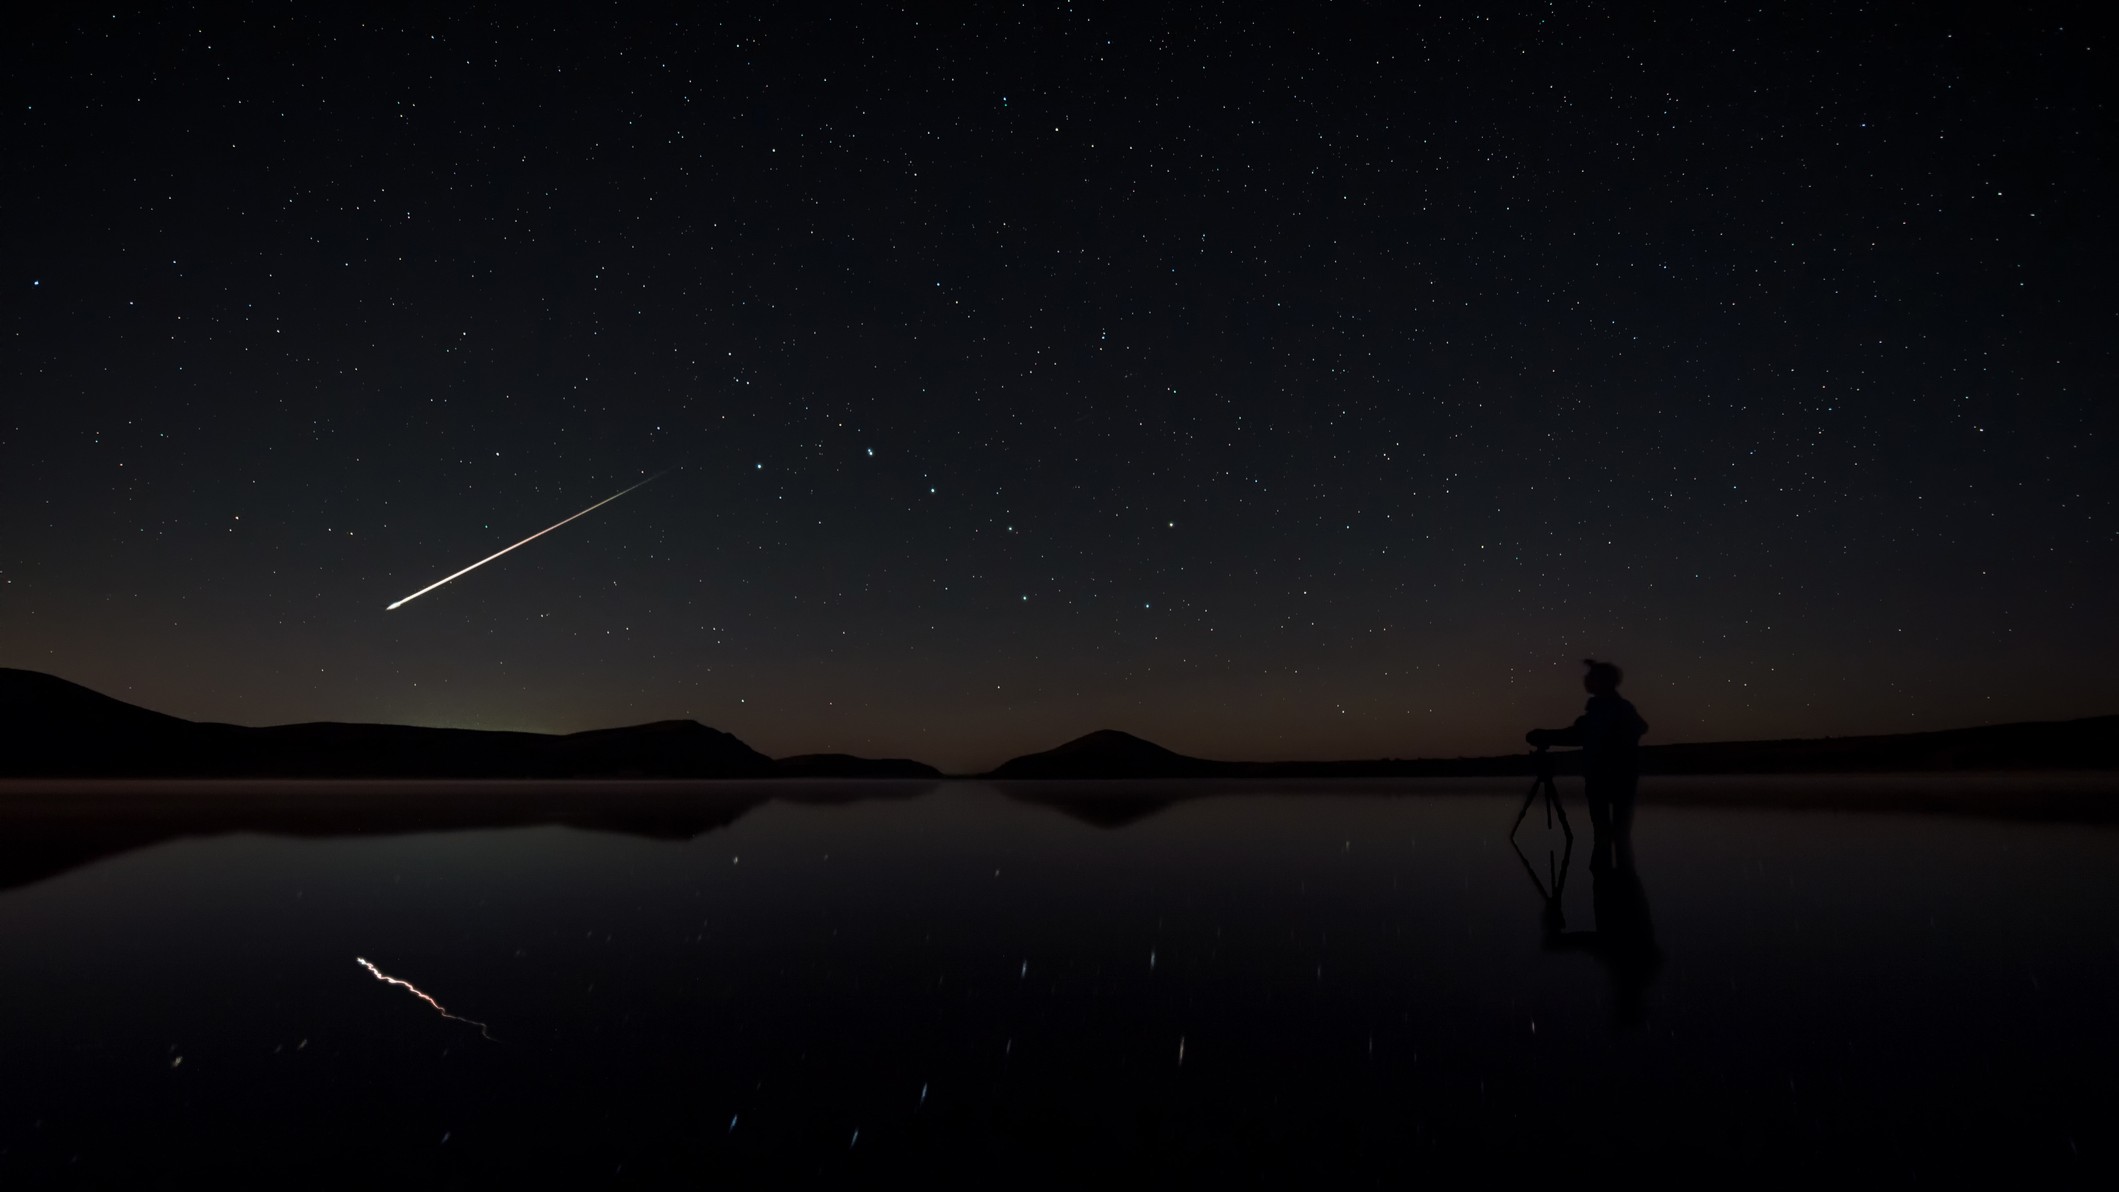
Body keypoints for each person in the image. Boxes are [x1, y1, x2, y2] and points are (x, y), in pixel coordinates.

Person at [1527, 658, 1648, 870]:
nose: (1586, 681)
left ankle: (1609, 880)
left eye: (1591, 677)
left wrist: (1545, 736)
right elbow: (1583, 733)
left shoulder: (1607, 710)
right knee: (1616, 835)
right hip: (1615, 777)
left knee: (1609, 835)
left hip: (1607, 778)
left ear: (1602, 682)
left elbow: (1580, 734)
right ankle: (1618, 880)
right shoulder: (1610, 708)